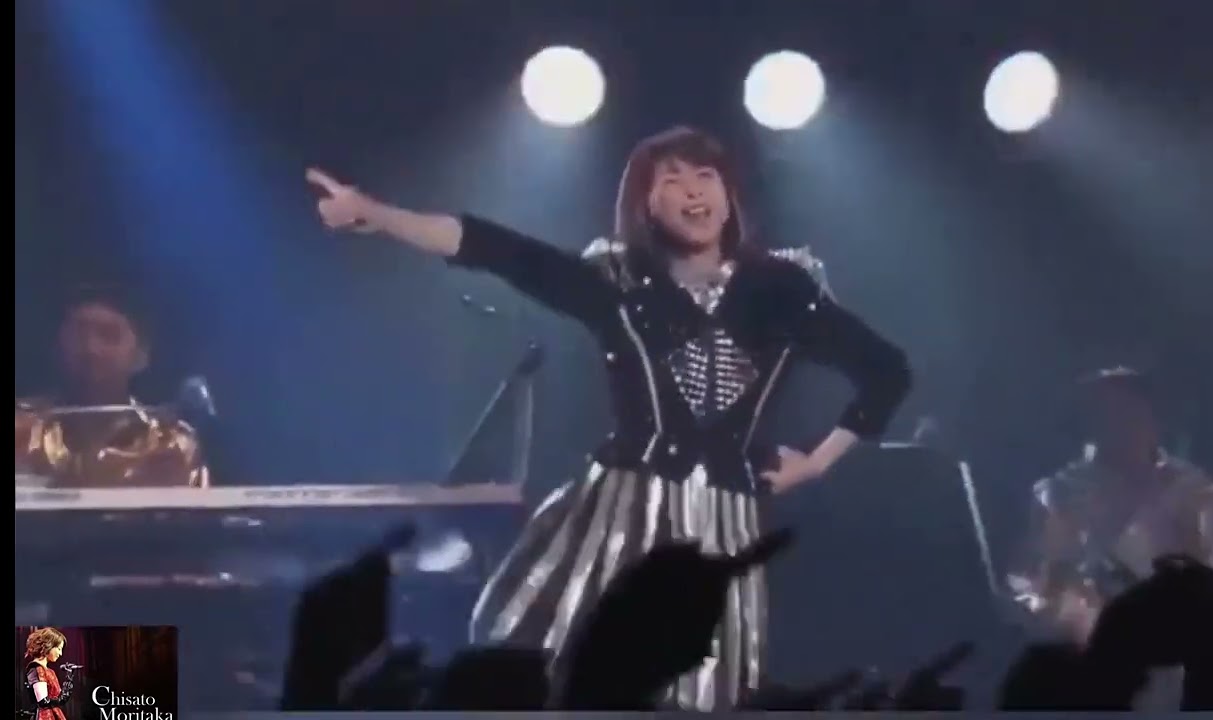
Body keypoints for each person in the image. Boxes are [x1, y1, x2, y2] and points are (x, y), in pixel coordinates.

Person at [307, 126, 912, 709]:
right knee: (562, 668)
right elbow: (499, 250)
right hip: (618, 517)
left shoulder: (780, 288)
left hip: (722, 522)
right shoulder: (618, 283)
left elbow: (885, 371)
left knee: (699, 688)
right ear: (645, 203)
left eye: (706, 176)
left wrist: (815, 464)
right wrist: (378, 214)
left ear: (729, 194)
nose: (693, 191)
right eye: (672, 179)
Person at [1011, 367, 1213, 646]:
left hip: (1180, 642)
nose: (1124, 424)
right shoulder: (1057, 493)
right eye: (1109, 413)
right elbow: (1039, 582)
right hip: (1098, 647)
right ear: (1089, 423)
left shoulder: (1190, 485)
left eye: (1133, 411)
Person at [14, 285, 209, 488]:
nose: (91, 349)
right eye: (78, 335)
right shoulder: (22, 429)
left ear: (141, 356)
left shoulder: (170, 444)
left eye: (109, 336)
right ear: (57, 347)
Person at [24, 627, 72, 720]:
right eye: (59, 649)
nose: (60, 653)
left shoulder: (50, 671)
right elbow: (43, 701)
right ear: (48, 645)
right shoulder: (36, 668)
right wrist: (61, 699)